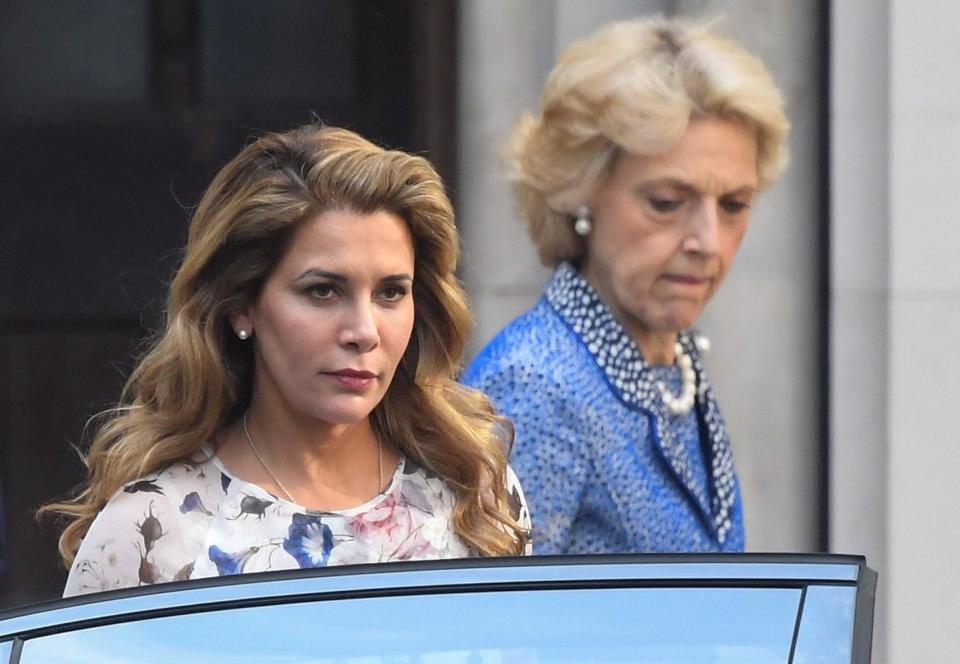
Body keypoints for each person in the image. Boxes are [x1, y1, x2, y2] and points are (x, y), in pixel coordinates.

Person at [44, 125, 530, 596]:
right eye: (322, 291)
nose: (363, 332)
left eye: (390, 292)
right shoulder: (152, 529)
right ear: (242, 303)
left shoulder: (475, 493)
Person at [465, 16, 789, 554]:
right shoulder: (536, 383)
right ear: (580, 190)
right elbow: (501, 627)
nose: (708, 240)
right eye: (666, 202)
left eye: (733, 204)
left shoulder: (669, 363)